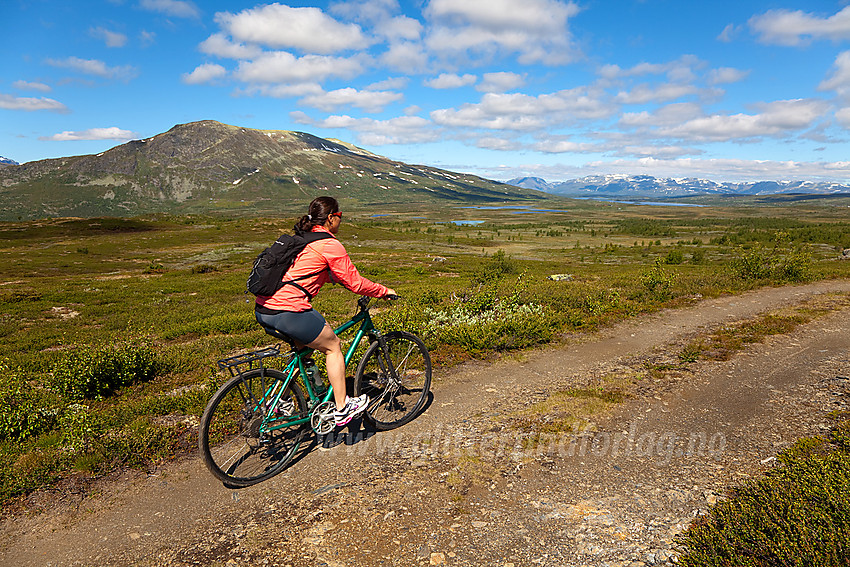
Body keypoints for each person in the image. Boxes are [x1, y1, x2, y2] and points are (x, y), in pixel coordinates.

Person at [254, 196, 396, 427]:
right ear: (331, 218)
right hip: (288, 310)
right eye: (340, 216)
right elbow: (356, 283)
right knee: (333, 346)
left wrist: (333, 278)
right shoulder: (330, 244)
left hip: (264, 309)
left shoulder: (302, 238)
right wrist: (383, 291)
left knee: (304, 352)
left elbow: (307, 270)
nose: (341, 221)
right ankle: (342, 406)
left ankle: (279, 402)